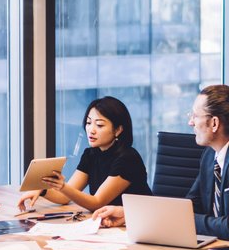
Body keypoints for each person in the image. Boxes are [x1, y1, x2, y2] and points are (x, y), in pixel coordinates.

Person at [94, 84, 229, 241]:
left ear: (214, 123)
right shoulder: (209, 156)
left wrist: (187, 220)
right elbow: (189, 205)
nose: (190, 122)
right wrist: (130, 214)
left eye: (195, 116)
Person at [17, 96, 152, 212]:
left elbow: (97, 202)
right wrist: (43, 190)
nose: (91, 130)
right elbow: (64, 197)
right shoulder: (91, 154)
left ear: (118, 130)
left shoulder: (127, 159)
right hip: (108, 223)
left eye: (99, 125)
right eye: (88, 123)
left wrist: (62, 186)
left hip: (137, 224)